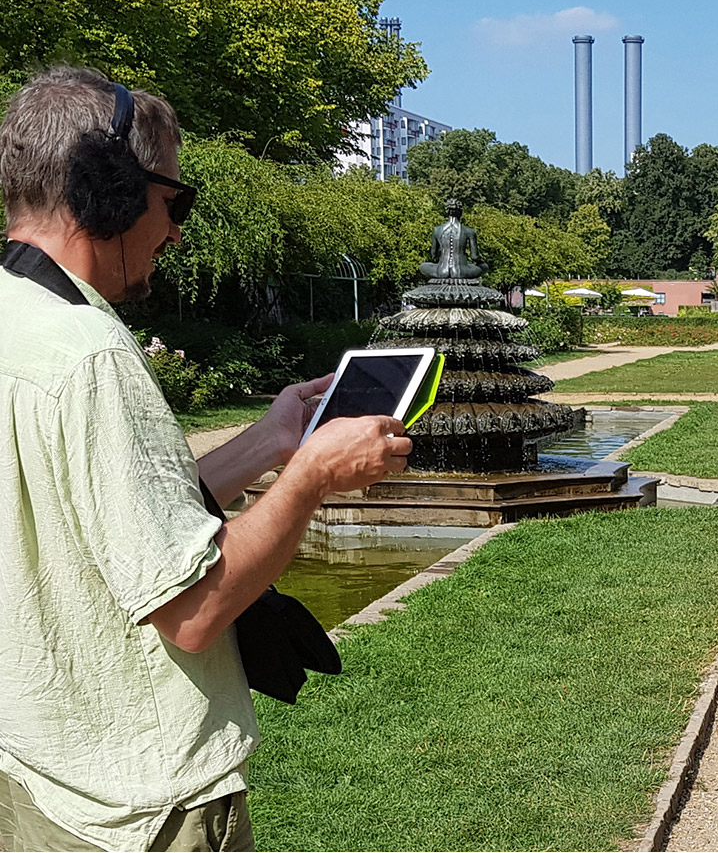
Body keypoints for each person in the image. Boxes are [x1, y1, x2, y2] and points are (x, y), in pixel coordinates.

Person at [0, 67, 412, 852]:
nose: (177, 231)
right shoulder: (91, 355)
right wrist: (313, 476)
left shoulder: (15, 319)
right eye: (173, 202)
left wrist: (266, 444)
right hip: (137, 807)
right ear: (109, 190)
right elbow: (193, 611)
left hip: (39, 773)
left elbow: (101, 515)